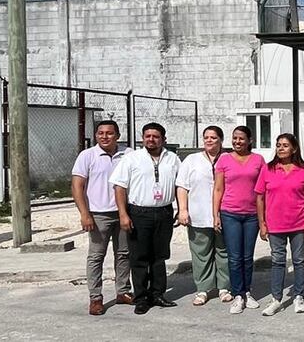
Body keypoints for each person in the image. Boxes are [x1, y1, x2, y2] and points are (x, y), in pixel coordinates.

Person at [110, 122, 181, 315]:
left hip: (164, 212)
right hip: (139, 213)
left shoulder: (173, 159)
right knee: (139, 257)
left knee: (159, 256)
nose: (151, 139)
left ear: (163, 139)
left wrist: (181, 209)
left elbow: (180, 185)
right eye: (147, 136)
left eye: (155, 136)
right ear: (143, 138)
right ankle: (141, 298)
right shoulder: (131, 159)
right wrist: (123, 214)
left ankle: (157, 294)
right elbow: (119, 187)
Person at [71, 120, 132, 315]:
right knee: (96, 257)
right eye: (100, 133)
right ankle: (95, 298)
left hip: (123, 212)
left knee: (124, 254)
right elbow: (77, 186)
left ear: (118, 136)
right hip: (98, 215)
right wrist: (84, 214)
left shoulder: (128, 154)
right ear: (96, 135)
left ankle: (123, 291)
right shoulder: (87, 156)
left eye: (109, 133)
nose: (104, 137)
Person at [256, 133, 304, 316]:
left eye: (285, 145)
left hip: (299, 223)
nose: (281, 148)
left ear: (294, 148)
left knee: (299, 261)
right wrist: (262, 223)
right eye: (278, 145)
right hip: (275, 224)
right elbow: (259, 198)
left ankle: (298, 295)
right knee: (277, 262)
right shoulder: (268, 169)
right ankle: (276, 299)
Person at [175, 125, 232, 306]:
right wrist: (183, 210)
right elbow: (182, 186)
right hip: (198, 215)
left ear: (221, 140)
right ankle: (203, 289)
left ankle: (224, 287)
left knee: (224, 252)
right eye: (206, 137)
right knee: (201, 254)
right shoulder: (192, 160)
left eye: (213, 137)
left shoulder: (229, 158)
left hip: (225, 214)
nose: (209, 140)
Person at [213, 125, 266, 314]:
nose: (237, 141)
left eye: (241, 138)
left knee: (247, 257)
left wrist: (263, 218)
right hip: (230, 214)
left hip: (252, 215)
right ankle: (238, 295)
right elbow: (218, 189)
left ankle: (247, 291)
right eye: (235, 138)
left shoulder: (258, 160)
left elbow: (263, 190)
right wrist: (215, 215)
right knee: (235, 257)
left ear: (250, 140)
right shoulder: (224, 159)